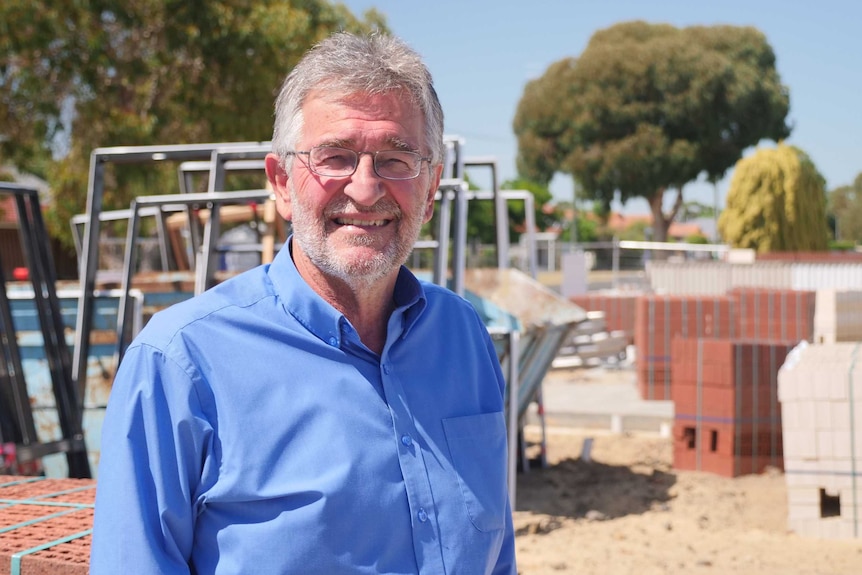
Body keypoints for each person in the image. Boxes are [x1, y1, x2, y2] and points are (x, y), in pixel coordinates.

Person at [90, 32, 516, 574]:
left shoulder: (462, 336)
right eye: (335, 157)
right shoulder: (179, 363)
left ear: (431, 188)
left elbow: (494, 553)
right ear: (282, 184)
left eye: (395, 159)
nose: (365, 190)